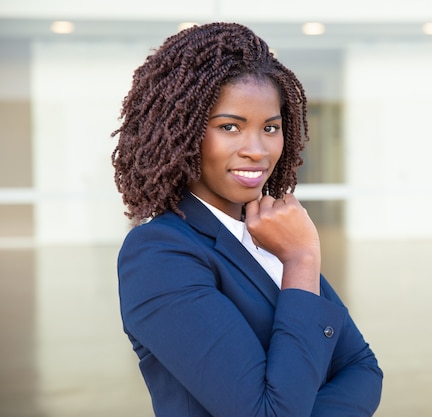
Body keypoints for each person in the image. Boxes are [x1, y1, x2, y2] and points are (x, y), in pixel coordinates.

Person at [111, 22, 383, 417]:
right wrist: (302, 261)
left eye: (270, 128)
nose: (257, 150)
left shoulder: (269, 232)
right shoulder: (160, 254)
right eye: (229, 127)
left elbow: (362, 368)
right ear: (182, 130)